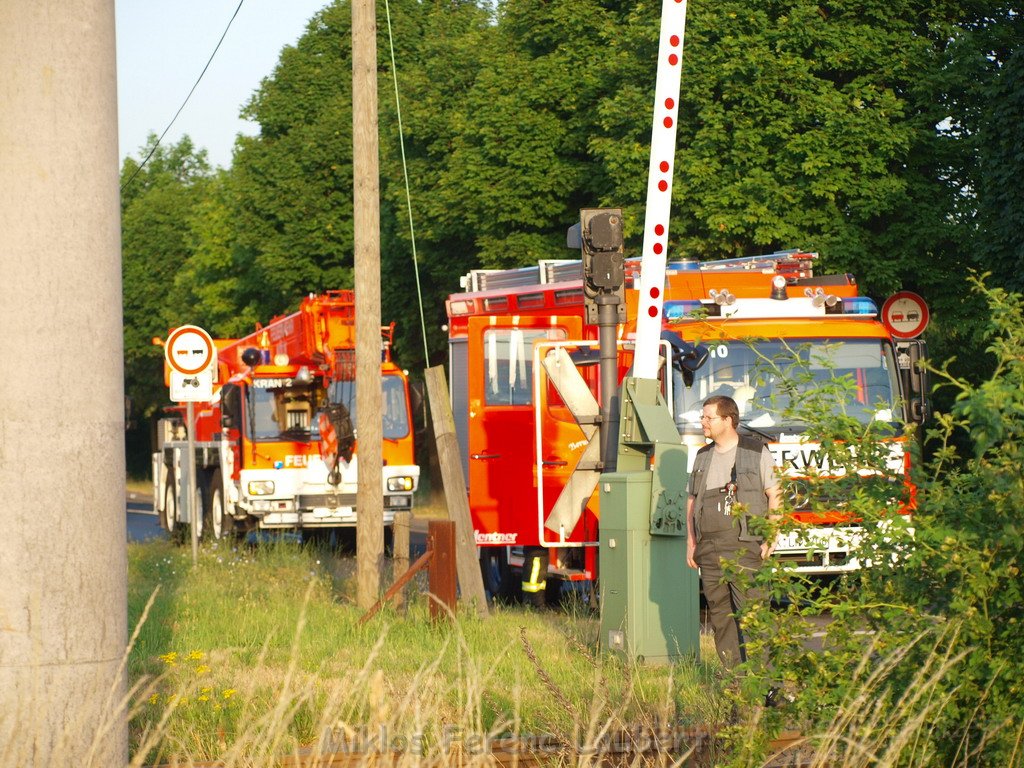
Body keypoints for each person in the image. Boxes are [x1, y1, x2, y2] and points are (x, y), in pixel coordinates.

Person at [686, 395, 781, 670]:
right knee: (721, 618)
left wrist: (772, 536)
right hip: (710, 550)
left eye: (708, 417)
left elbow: (774, 494)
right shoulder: (702, 455)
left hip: (745, 546)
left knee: (752, 615)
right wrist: (690, 543)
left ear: (728, 420)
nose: (702, 422)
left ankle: (766, 685)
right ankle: (735, 682)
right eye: (702, 417)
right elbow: (692, 502)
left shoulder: (756, 451)